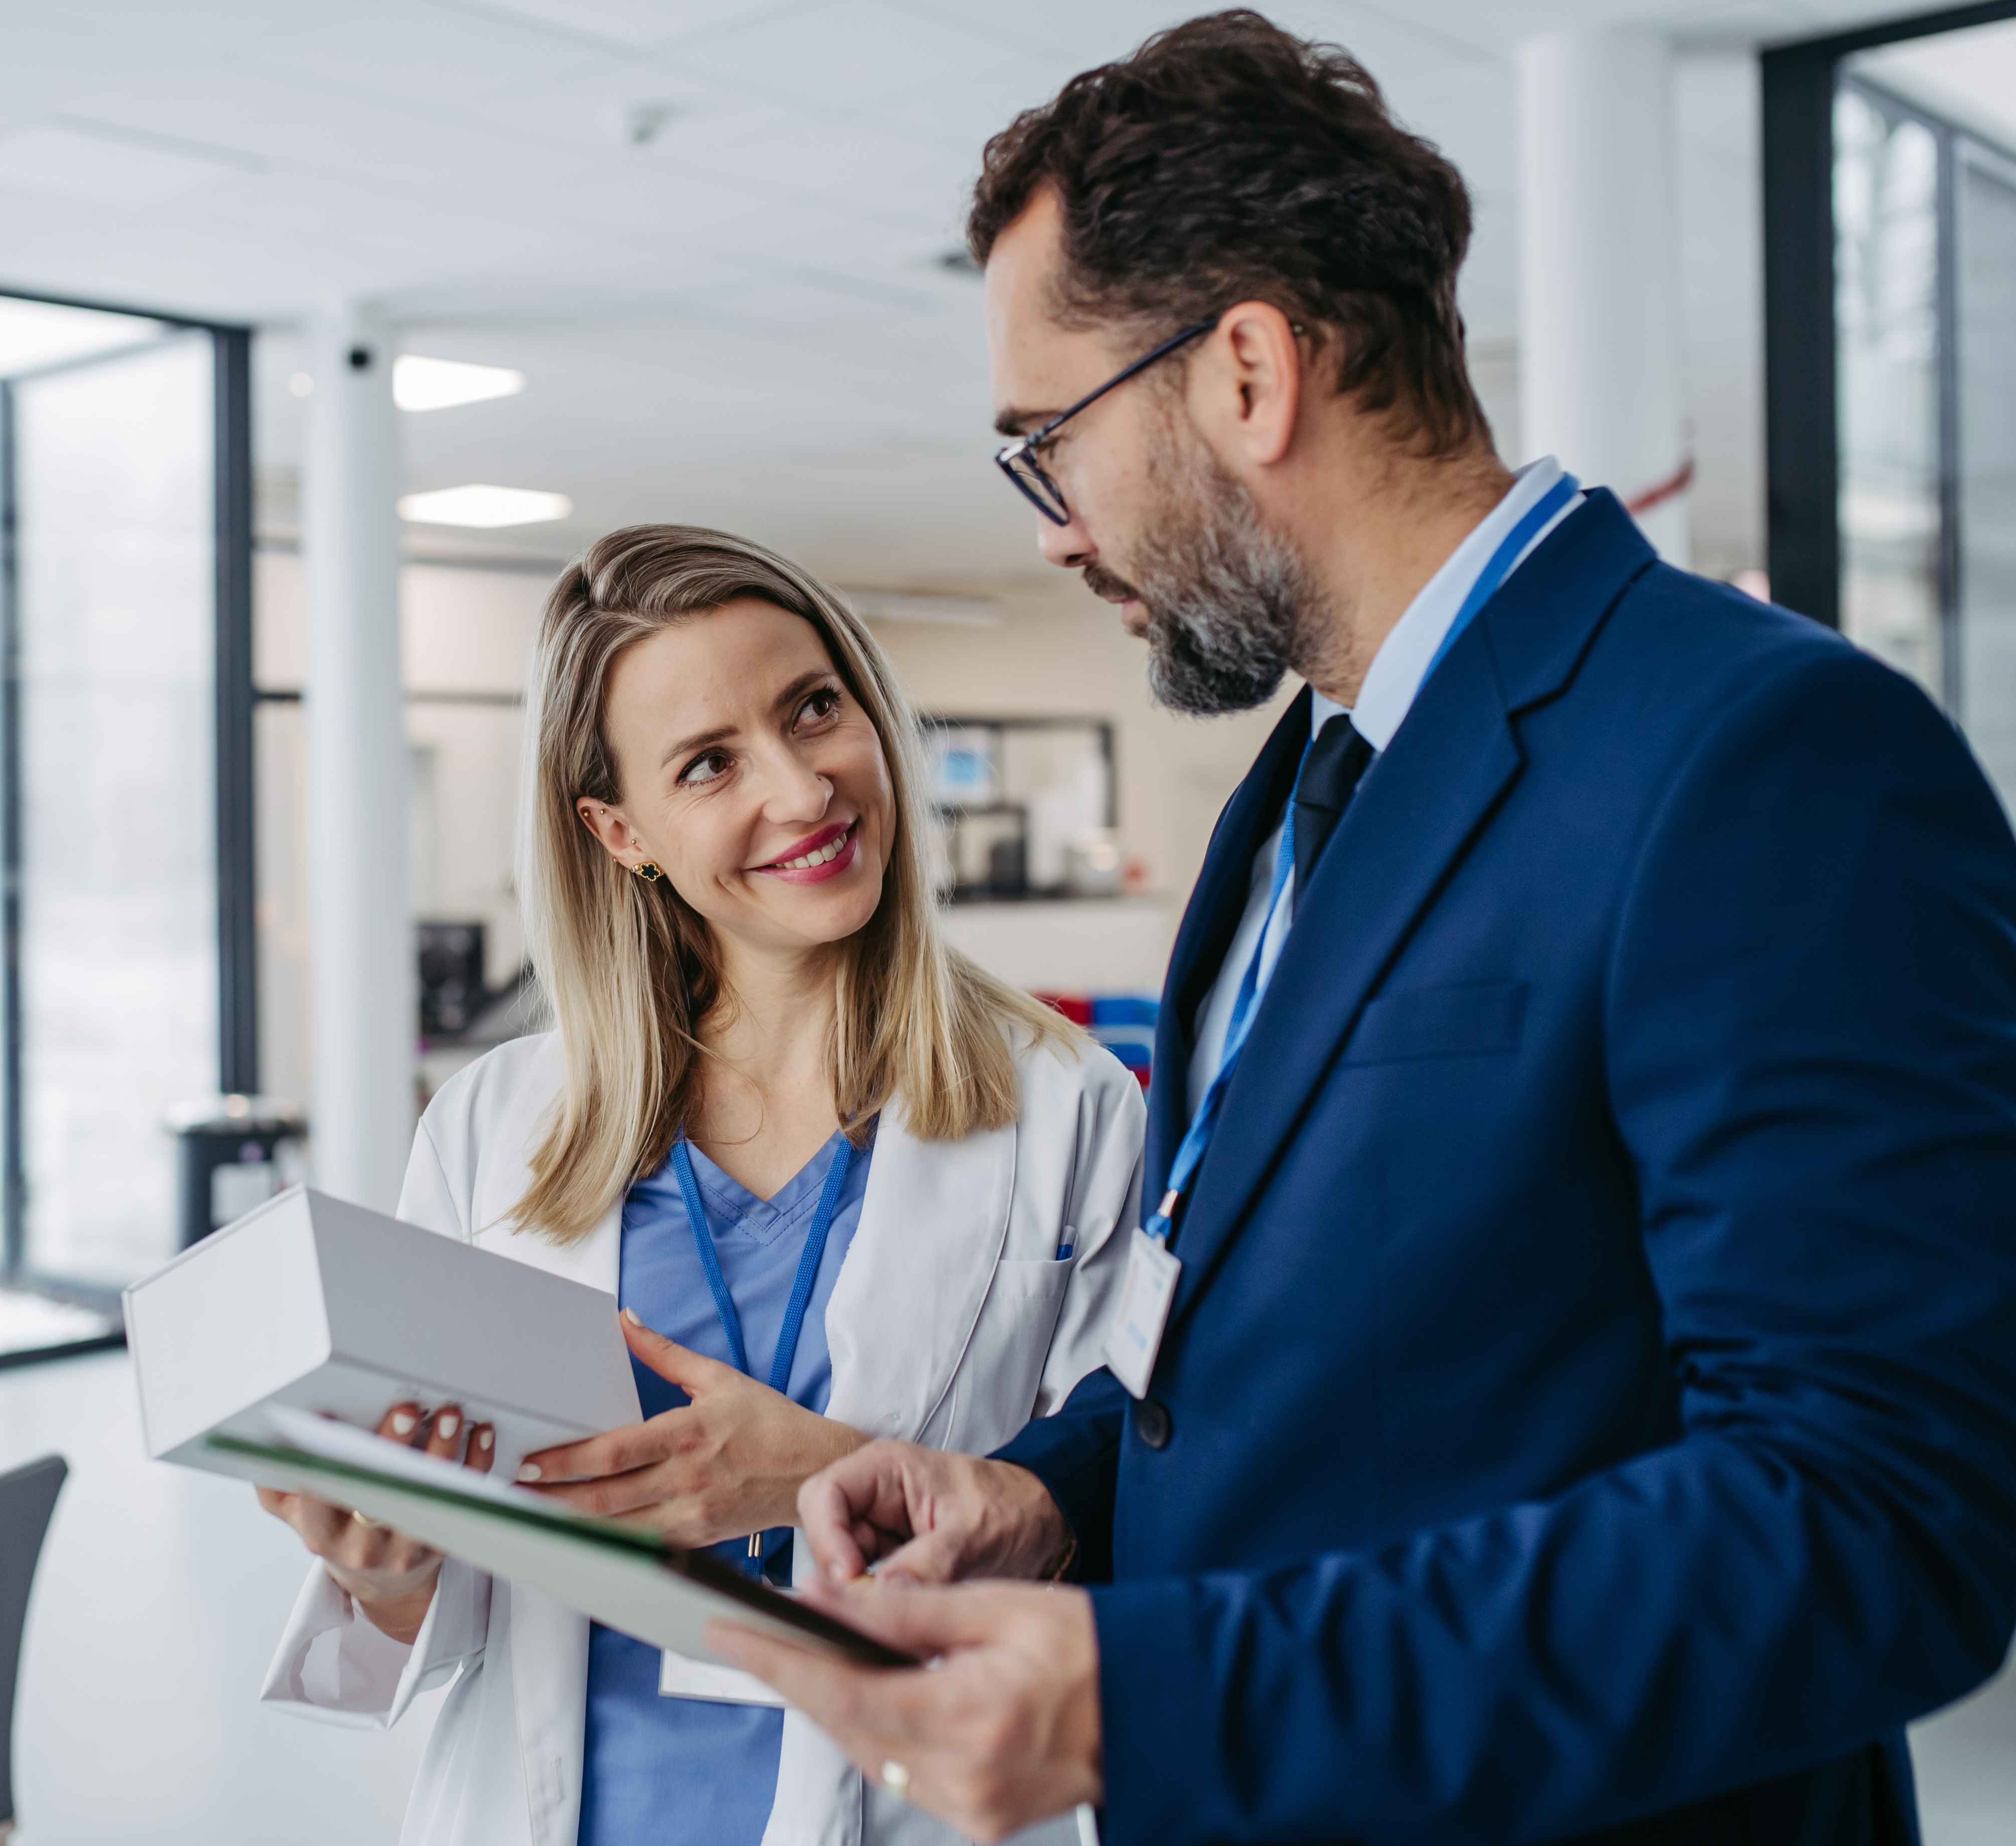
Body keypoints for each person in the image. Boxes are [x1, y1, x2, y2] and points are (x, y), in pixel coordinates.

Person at [710, 14, 2016, 1844]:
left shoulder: (1757, 755)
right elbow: (1280, 1341)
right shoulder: (1297, 788)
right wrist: (1054, 1494)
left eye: (1048, 448)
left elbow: (1876, 1514)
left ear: (1245, 372)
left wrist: (1154, 1692)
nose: (1057, 536)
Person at [254, 526, 1144, 1846]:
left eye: (815, 708)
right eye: (709, 762)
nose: (802, 789)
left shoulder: (1070, 1107)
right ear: (620, 830)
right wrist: (378, 1565)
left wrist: (823, 1475)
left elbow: (1129, 1515)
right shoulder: (496, 1129)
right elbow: (444, 1607)